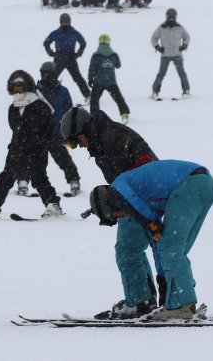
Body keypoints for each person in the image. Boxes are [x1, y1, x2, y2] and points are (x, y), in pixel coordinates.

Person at [60, 106, 161, 315]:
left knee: (127, 249)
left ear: (83, 130)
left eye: (75, 140)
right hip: (136, 198)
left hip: (139, 198)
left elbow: (143, 162)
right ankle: (144, 299)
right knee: (131, 248)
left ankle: (139, 301)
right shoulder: (103, 138)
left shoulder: (111, 136)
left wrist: (131, 196)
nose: (78, 146)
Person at [88, 159, 213, 320]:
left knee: (171, 246)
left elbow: (150, 223)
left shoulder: (119, 188)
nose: (120, 217)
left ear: (109, 205)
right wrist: (164, 282)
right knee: (175, 248)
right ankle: (177, 300)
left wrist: (152, 224)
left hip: (190, 184)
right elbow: (156, 240)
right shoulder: (143, 197)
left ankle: (182, 305)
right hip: (205, 184)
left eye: (115, 216)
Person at [0, 70, 63, 220]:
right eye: (14, 88)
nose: (17, 91)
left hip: (37, 148)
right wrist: (19, 142)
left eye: (20, 87)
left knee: (39, 177)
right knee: (7, 175)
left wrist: (39, 141)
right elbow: (14, 128)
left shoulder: (40, 105)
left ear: (28, 87)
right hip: (17, 148)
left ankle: (52, 204)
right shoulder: (13, 107)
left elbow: (48, 128)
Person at [28, 62, 81, 197]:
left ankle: (74, 180)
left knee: (63, 158)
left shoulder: (63, 91)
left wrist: (69, 130)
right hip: (38, 132)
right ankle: (26, 181)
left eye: (49, 73)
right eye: (44, 73)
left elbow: (69, 111)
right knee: (35, 159)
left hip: (56, 132)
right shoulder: (35, 91)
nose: (46, 76)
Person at [43, 12, 90, 98]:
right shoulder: (56, 33)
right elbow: (46, 43)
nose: (65, 23)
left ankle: (88, 95)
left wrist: (79, 53)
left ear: (70, 22)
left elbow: (83, 43)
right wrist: (51, 53)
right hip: (59, 59)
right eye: (63, 22)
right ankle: (47, 95)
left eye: (67, 22)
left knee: (78, 78)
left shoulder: (74, 33)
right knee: (52, 78)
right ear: (60, 22)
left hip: (71, 59)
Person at [88, 34, 130, 122]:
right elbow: (118, 65)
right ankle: (124, 114)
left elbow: (92, 68)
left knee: (94, 100)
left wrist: (90, 78)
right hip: (111, 82)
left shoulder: (96, 55)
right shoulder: (113, 55)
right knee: (118, 98)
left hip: (98, 82)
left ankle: (94, 116)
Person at [150, 8, 190, 99]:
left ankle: (186, 91)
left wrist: (184, 45)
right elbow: (153, 38)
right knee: (161, 74)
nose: (171, 19)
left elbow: (187, 37)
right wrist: (157, 47)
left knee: (182, 73)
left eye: (173, 17)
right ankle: (155, 91)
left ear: (175, 17)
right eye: (169, 17)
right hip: (165, 55)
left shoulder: (180, 28)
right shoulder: (161, 27)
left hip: (177, 55)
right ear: (166, 17)